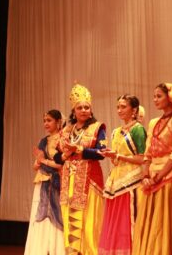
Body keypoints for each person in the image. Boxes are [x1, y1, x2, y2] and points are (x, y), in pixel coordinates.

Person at [132, 83, 172, 255]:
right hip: (151, 176)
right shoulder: (153, 122)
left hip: (168, 177)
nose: (155, 100)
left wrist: (158, 177)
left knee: (165, 221)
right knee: (149, 223)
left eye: (159, 96)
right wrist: (146, 174)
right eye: (154, 96)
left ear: (170, 98)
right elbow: (147, 153)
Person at [54, 84, 107, 255]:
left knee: (89, 222)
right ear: (74, 111)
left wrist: (80, 150)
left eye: (87, 107)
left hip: (89, 181)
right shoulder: (67, 130)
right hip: (69, 181)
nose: (84, 110)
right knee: (70, 219)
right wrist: (64, 156)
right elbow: (57, 155)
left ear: (91, 110)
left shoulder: (98, 128)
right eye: (80, 107)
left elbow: (102, 152)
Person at [98, 95, 147, 255]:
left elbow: (142, 158)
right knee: (117, 220)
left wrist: (118, 156)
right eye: (118, 107)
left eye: (123, 107)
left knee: (129, 219)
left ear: (134, 110)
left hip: (132, 181)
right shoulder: (116, 132)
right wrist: (113, 156)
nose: (119, 110)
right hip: (116, 180)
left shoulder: (138, 130)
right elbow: (117, 160)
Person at [25, 109, 65, 255]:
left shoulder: (62, 140)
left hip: (57, 182)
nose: (46, 123)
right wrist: (38, 162)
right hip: (43, 182)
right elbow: (36, 166)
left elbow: (62, 165)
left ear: (58, 122)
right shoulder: (43, 141)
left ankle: (56, 250)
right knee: (40, 214)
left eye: (49, 120)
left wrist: (43, 160)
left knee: (56, 214)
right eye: (44, 121)